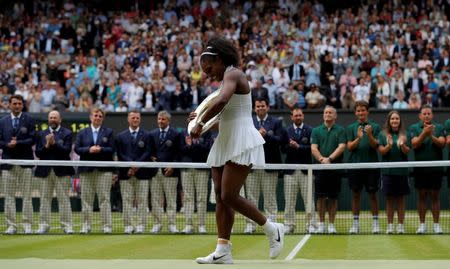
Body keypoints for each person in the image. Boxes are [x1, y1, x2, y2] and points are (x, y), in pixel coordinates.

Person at [190, 36, 284, 264]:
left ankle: (272, 228)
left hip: (242, 139)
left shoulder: (234, 74)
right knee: (221, 198)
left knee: (229, 195)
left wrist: (201, 121)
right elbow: (222, 115)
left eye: (210, 67)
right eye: (204, 70)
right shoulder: (224, 79)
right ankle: (223, 250)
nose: (208, 73)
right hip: (225, 139)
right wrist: (199, 120)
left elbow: (222, 101)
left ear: (220, 59)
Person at [244, 98, 284, 234]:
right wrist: (256, 136)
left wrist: (266, 136)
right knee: (251, 198)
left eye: (262, 106)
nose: (260, 108)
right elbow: (244, 140)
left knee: (270, 197)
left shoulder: (276, 122)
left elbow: (280, 141)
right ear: (255, 108)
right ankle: (251, 225)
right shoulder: (249, 122)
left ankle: (271, 224)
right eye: (258, 106)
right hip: (252, 166)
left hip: (269, 165)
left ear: (267, 107)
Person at [115, 111, 156, 234]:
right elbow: (120, 154)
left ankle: (141, 226)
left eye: (137, 118)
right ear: (128, 119)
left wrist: (137, 165)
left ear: (140, 120)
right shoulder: (120, 136)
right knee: (127, 200)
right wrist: (130, 165)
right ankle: (128, 225)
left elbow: (148, 152)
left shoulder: (147, 135)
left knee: (142, 200)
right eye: (133, 118)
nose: (135, 119)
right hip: (125, 173)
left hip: (142, 173)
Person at [74, 108, 114, 234]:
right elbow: (77, 149)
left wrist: (101, 149)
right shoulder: (82, 132)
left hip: (104, 171)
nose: (97, 117)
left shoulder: (109, 132)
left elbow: (112, 149)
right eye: (95, 115)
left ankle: (107, 226)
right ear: (91, 117)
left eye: (100, 116)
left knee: (104, 199)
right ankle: (86, 226)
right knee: (86, 199)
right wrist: (88, 150)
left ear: (102, 118)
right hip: (86, 170)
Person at [0, 94, 36, 234]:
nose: (17, 106)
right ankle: (11, 226)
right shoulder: (2, 121)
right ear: (9, 105)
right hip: (8, 163)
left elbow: (33, 139)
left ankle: (27, 225)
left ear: (22, 105)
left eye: (19, 103)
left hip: (25, 162)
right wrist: (8, 144)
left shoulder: (29, 119)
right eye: (14, 103)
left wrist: (18, 143)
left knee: (27, 195)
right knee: (9, 196)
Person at [34, 110, 75, 234]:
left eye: (55, 118)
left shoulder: (67, 133)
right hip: (45, 171)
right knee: (45, 200)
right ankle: (44, 225)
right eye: (51, 117)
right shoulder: (41, 134)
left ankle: (67, 226)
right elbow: (38, 153)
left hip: (62, 171)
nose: (53, 119)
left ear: (60, 120)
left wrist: (54, 143)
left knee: (63, 200)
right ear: (48, 119)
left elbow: (66, 150)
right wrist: (47, 145)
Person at [408, 105, 446, 234]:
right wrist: (425, 133)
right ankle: (422, 225)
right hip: (420, 169)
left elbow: (442, 143)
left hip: (436, 168)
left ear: (432, 115)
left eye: (428, 113)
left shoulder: (439, 127)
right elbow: (414, 144)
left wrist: (431, 136)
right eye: (424, 114)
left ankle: (436, 225)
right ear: (420, 115)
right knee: (422, 196)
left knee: (435, 196)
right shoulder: (413, 128)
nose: (426, 116)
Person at [346, 100, 381, 234]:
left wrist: (370, 135)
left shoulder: (375, 127)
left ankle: (376, 224)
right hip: (355, 166)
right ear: (356, 113)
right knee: (355, 194)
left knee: (373, 195)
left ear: (367, 112)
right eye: (358, 110)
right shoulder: (351, 128)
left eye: (363, 110)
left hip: (372, 166)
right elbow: (349, 147)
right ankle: (355, 225)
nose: (361, 113)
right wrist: (359, 138)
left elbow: (376, 146)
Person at [310, 106, 346, 234]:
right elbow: (314, 148)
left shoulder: (341, 130)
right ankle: (321, 224)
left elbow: (342, 146)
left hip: (335, 168)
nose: (327, 114)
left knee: (333, 198)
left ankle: (331, 224)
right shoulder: (316, 131)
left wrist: (329, 159)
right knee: (320, 198)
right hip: (320, 169)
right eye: (325, 112)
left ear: (335, 116)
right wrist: (321, 159)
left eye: (330, 112)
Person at [281, 107, 317, 234]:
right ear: (292, 117)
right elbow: (283, 149)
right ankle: (289, 225)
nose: (298, 117)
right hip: (290, 171)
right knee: (289, 201)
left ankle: (311, 224)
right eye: (295, 115)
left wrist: (299, 146)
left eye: (300, 115)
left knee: (309, 200)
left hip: (306, 171)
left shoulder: (310, 130)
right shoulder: (286, 131)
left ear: (303, 116)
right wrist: (289, 145)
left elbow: (311, 149)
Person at [149, 110, 183, 234]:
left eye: (163, 119)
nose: (160, 121)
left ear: (168, 121)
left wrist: (172, 166)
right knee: (156, 200)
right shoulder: (152, 134)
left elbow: (179, 153)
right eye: (159, 119)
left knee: (171, 200)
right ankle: (157, 224)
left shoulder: (175, 134)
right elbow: (149, 151)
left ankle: (172, 224)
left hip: (170, 172)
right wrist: (152, 157)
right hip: (155, 172)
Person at [377, 111, 410, 234]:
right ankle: (390, 226)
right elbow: (382, 151)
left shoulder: (405, 134)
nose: (395, 121)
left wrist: (402, 145)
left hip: (402, 172)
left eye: (397, 119)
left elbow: (407, 151)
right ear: (389, 121)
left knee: (401, 199)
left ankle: (401, 226)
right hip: (387, 172)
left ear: (400, 121)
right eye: (392, 119)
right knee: (389, 199)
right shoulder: (382, 134)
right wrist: (389, 145)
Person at [180, 128, 214, 234]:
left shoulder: (207, 132)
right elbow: (181, 150)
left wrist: (194, 144)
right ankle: (188, 225)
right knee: (188, 198)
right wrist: (190, 146)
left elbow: (208, 149)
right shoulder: (184, 132)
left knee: (201, 198)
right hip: (186, 168)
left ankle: (201, 225)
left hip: (202, 168)